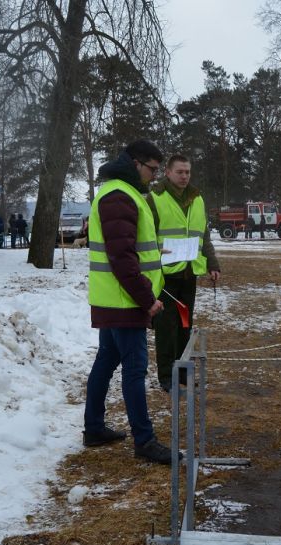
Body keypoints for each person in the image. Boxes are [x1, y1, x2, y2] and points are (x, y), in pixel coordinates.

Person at [82, 139, 175, 465]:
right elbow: (120, 257)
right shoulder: (119, 195)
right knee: (134, 370)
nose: (154, 175)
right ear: (136, 163)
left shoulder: (122, 193)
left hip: (116, 299)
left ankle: (94, 428)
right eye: (152, 169)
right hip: (124, 302)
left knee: (106, 361)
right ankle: (145, 440)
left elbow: (128, 246)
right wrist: (146, 299)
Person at [148, 154, 221, 391]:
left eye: (187, 172)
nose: (184, 176)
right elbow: (146, 236)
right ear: (167, 172)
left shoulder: (197, 198)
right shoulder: (155, 199)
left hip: (189, 274)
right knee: (165, 328)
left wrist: (212, 264)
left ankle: (181, 372)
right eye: (180, 172)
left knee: (184, 324)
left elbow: (204, 235)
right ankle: (166, 376)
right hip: (165, 275)